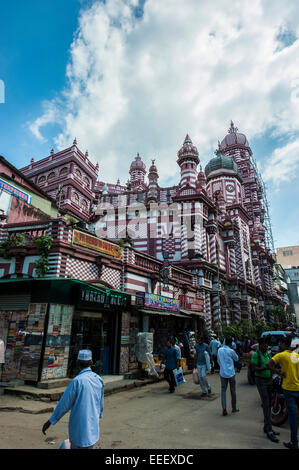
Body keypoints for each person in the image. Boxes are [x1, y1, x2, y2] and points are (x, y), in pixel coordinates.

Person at [42, 349, 104, 449]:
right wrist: (97, 416)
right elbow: (100, 404)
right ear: (91, 362)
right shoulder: (98, 379)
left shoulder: (77, 381)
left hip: (79, 433)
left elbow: (64, 404)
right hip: (93, 431)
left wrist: (50, 421)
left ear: (77, 363)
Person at [266, 335, 299, 449]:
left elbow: (268, 364)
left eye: (281, 344)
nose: (279, 346)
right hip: (298, 387)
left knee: (293, 417)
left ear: (284, 344)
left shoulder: (281, 355)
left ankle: (294, 442)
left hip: (288, 389)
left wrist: (278, 372)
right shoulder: (296, 356)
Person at [250, 337, 279, 443]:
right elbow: (254, 369)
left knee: (270, 403)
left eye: (267, 346)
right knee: (266, 404)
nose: (266, 347)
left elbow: (272, 364)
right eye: (264, 345)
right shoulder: (256, 355)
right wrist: (266, 368)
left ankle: (267, 427)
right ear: (260, 345)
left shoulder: (268, 354)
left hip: (268, 380)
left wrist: (272, 375)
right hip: (260, 380)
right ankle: (269, 430)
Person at [217, 336, 239, 416]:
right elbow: (236, 359)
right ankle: (234, 408)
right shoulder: (231, 351)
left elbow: (218, 361)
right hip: (231, 373)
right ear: (231, 343)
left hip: (223, 373)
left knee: (223, 391)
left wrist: (222, 366)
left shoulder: (219, 350)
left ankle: (224, 408)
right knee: (233, 390)